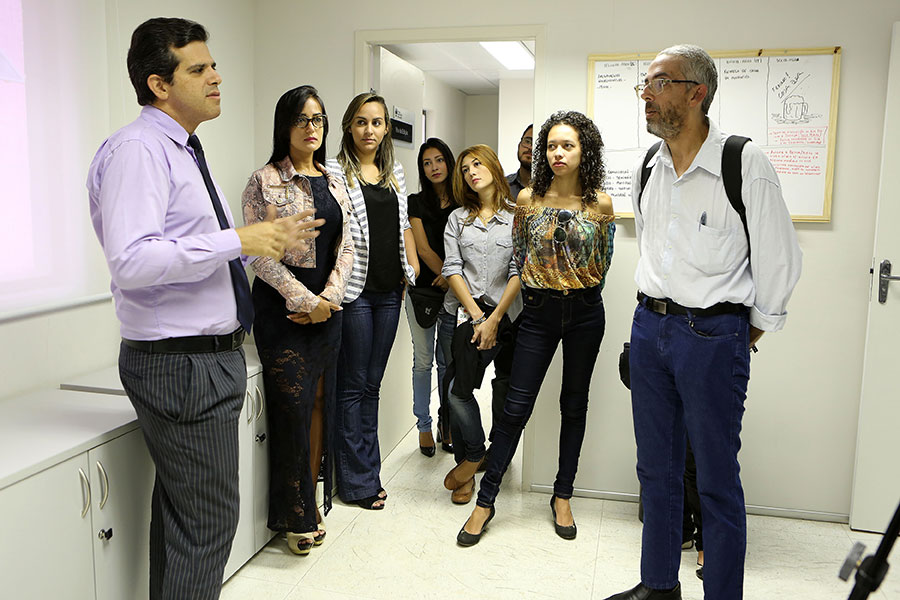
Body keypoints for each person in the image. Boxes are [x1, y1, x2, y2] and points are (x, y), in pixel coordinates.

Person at [87, 18, 320, 599]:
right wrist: (239, 240)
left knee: (183, 523)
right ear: (158, 84)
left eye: (213, 65)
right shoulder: (141, 150)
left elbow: (185, 254)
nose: (217, 77)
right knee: (208, 525)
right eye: (199, 69)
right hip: (181, 364)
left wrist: (258, 243)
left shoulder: (182, 148)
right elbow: (133, 262)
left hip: (200, 358)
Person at [604, 45, 801, 600]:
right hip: (649, 330)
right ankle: (660, 584)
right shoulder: (650, 164)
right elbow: (653, 245)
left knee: (714, 480)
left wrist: (740, 331)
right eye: (644, 84)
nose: (647, 93)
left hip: (713, 336)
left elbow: (780, 261)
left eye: (660, 83)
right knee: (656, 471)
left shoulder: (742, 163)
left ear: (697, 92)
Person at [457, 111, 615, 546]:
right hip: (539, 313)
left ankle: (562, 495)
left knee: (574, 405)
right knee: (514, 409)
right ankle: (486, 502)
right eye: (551, 146)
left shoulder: (599, 203)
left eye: (568, 145)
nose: (558, 153)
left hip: (585, 312)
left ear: (585, 152)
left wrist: (572, 282)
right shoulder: (527, 199)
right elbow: (523, 257)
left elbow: (603, 263)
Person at [241, 85, 354, 555]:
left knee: (319, 407)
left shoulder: (336, 179)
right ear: (284, 126)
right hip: (281, 310)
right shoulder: (263, 181)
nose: (312, 128)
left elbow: (349, 246)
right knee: (290, 412)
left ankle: (311, 501)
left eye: (319, 119)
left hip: (328, 309)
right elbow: (259, 255)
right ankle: (294, 516)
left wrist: (327, 299)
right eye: (302, 119)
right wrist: (306, 301)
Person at [327, 92, 419, 510]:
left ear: (386, 129)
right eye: (362, 122)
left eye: (377, 122)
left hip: (389, 290)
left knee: (372, 385)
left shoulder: (393, 171)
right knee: (353, 386)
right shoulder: (333, 172)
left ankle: (368, 472)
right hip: (356, 291)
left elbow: (402, 228)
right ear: (349, 125)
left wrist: (410, 272)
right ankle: (356, 481)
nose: (370, 130)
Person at [440, 144, 522, 505]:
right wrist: (478, 317)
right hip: (467, 314)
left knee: (505, 390)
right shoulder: (458, 218)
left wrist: (496, 318)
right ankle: (471, 457)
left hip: (509, 315)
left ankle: (495, 459)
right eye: (465, 168)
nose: (472, 171)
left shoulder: (518, 216)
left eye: (477, 164)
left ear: (493, 167)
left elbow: (521, 269)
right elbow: (452, 268)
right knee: (458, 390)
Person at [405, 138, 458, 456]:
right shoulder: (415, 202)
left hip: (454, 295)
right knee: (422, 363)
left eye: (439, 160)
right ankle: (423, 426)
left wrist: (452, 280)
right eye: (427, 162)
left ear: (448, 163)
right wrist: (449, 274)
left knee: (448, 364)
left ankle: (447, 423)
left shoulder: (464, 202)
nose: (434, 167)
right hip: (423, 292)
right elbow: (422, 248)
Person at [506, 124, 533, 201]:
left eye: (536, 144)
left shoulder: (552, 189)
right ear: (519, 145)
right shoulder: (503, 186)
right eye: (527, 141)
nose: (530, 148)